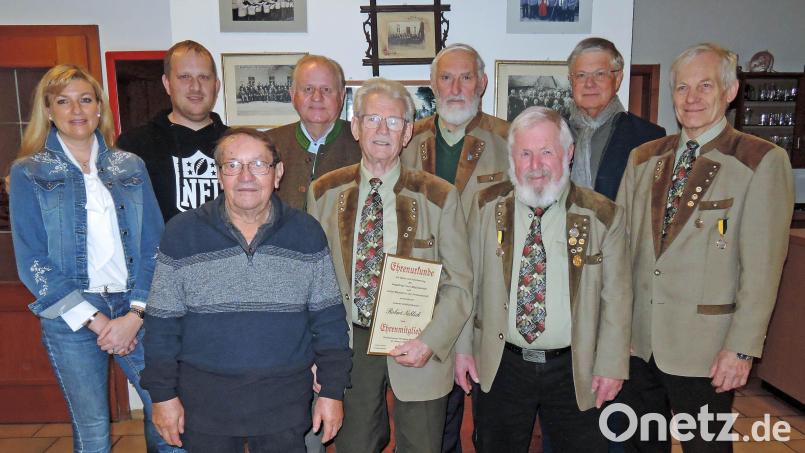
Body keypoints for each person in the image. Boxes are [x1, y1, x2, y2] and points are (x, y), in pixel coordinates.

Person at [616, 43, 794, 452]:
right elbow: (623, 251)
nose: (691, 98)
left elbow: (763, 269)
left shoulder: (760, 161)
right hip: (639, 346)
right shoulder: (644, 158)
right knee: (642, 446)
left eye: (704, 86)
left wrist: (742, 349)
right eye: (681, 88)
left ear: (730, 91)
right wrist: (618, 329)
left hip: (707, 349)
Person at [141, 128, 352, 453]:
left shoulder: (307, 234)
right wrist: (163, 396)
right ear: (218, 174)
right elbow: (161, 327)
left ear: (278, 173)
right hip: (205, 407)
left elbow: (329, 323)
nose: (246, 176)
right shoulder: (182, 234)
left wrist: (332, 391)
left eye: (258, 164)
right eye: (233, 165)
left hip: (284, 406)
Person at [8, 64, 172, 452]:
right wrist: (99, 323)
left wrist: (134, 316)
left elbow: (154, 245)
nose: (76, 110)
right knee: (94, 430)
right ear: (48, 111)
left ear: (99, 107)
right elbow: (33, 261)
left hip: (135, 307)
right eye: (62, 101)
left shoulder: (129, 166)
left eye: (85, 99)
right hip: (72, 315)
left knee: (168, 414)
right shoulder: (29, 173)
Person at [307, 78, 473, 453]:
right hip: (350, 340)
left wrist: (430, 341)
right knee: (354, 445)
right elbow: (312, 283)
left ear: (408, 132)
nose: (382, 130)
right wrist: (316, 352)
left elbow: (460, 283)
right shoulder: (324, 192)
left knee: (422, 446)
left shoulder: (439, 196)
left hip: (418, 340)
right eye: (372, 119)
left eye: (394, 122)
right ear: (355, 126)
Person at [460, 106, 631, 452]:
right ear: (511, 158)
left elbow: (617, 297)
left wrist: (612, 364)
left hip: (574, 367)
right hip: (501, 365)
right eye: (525, 153)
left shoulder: (603, 216)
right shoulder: (484, 207)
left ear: (567, 154)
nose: (535, 165)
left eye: (546, 151)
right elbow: (467, 283)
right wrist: (462, 348)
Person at [401, 42, 509, 453]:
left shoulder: (507, 139)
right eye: (446, 77)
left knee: (491, 417)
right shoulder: (409, 140)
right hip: (431, 300)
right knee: (438, 419)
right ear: (432, 85)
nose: (456, 87)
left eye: (466, 77)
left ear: (482, 83)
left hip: (490, 298)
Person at [117, 40, 228, 222]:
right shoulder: (133, 146)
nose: (195, 87)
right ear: (167, 83)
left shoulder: (238, 144)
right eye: (184, 77)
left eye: (204, 77)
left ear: (216, 85)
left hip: (229, 250)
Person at [567, 37, 665, 201]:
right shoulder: (552, 134)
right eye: (581, 75)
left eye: (599, 74)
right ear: (571, 81)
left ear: (618, 79)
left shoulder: (649, 139)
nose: (589, 83)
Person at [266, 54, 361, 210]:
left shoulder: (363, 144)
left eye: (326, 89)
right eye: (308, 89)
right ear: (292, 95)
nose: (317, 97)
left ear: (342, 96)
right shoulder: (267, 144)